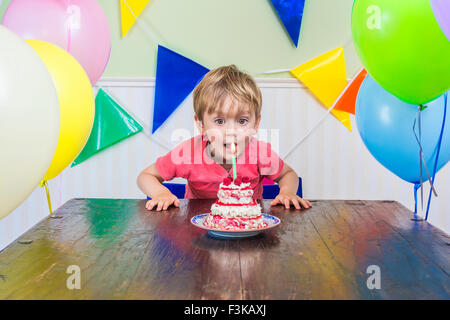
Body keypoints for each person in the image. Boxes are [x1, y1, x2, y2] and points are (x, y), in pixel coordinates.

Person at [137, 65, 312, 211]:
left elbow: (287, 174)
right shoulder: (188, 153)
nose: (231, 131)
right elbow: (145, 176)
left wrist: (287, 191)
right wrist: (161, 193)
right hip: (198, 232)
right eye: (219, 121)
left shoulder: (259, 152)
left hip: (248, 231)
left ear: (256, 124)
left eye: (242, 121)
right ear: (201, 125)